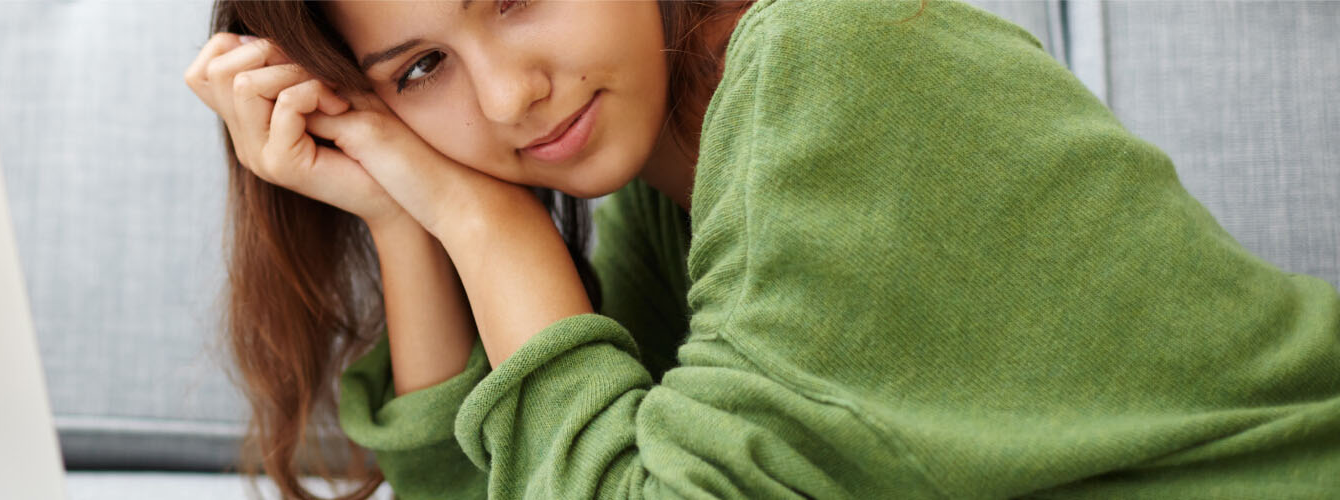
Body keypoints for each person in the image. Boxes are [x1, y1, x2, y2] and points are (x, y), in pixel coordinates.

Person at [183, 0, 1340, 498]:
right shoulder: (666, 170)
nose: (507, 93)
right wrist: (404, 213)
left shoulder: (823, 65)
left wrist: (482, 220)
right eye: (417, 70)